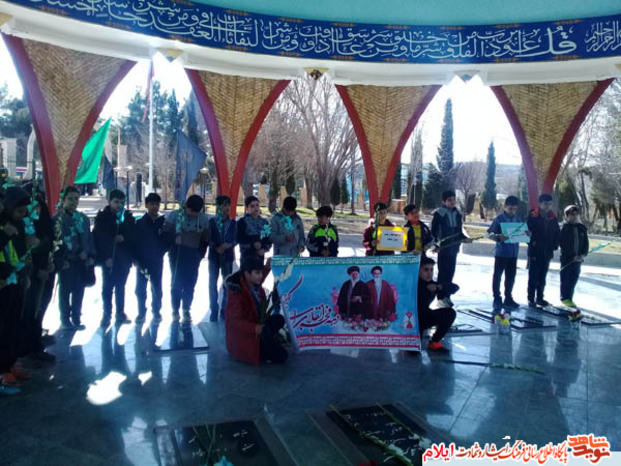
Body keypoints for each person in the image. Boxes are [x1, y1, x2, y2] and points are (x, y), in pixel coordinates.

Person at [224, 256, 288, 365]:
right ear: (247, 273)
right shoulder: (236, 293)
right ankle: (262, 348)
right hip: (245, 338)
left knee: (279, 319)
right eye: (257, 273)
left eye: (261, 272)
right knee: (282, 356)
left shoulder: (250, 283)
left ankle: (267, 343)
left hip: (258, 327)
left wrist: (267, 267)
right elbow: (233, 322)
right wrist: (254, 328)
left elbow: (259, 279)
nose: (261, 276)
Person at [0, 187, 32, 394]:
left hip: (14, 281)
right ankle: (2, 371)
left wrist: (24, 272)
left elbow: (20, 252)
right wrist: (4, 235)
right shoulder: (4, 226)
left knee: (13, 324)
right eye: (18, 211)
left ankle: (10, 363)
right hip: (2, 282)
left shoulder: (17, 224)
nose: (22, 215)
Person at [20, 182, 56, 363]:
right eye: (32, 204)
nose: (36, 208)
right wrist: (35, 271)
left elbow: (53, 244)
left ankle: (36, 342)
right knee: (28, 312)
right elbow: (21, 255)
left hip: (46, 273)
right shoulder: (22, 226)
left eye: (39, 203)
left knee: (40, 309)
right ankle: (26, 349)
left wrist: (52, 264)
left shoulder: (45, 223)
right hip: (29, 277)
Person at [53, 186, 95, 330]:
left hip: (82, 262)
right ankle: (65, 318)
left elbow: (89, 239)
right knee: (65, 291)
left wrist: (90, 255)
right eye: (70, 199)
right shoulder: (57, 220)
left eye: (76, 199)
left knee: (79, 290)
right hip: (67, 261)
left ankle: (76, 317)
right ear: (63, 200)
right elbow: (56, 242)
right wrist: (63, 259)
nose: (73, 202)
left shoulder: (83, 219)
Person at [163, 194, 210, 323]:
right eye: (191, 211)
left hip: (193, 255)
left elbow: (205, 240)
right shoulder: (175, 216)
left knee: (190, 283)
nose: (193, 214)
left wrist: (199, 255)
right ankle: (175, 310)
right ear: (186, 207)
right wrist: (174, 239)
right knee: (176, 283)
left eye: (197, 212)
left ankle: (186, 309)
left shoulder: (203, 220)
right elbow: (165, 234)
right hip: (177, 255)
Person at [93, 189, 136, 327]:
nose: (119, 205)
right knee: (107, 287)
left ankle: (120, 312)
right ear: (109, 201)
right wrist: (106, 256)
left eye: (121, 202)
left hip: (123, 258)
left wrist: (125, 238)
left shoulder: (127, 216)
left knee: (120, 286)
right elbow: (99, 238)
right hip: (109, 258)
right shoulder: (102, 217)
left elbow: (133, 235)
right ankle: (107, 314)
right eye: (116, 202)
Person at [431, 190, 471, 307]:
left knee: (450, 272)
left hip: (454, 248)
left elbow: (459, 231)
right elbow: (434, 231)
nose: (452, 202)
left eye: (454, 199)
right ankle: (440, 297)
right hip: (443, 248)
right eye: (449, 200)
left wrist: (465, 238)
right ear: (444, 202)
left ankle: (447, 296)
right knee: (443, 273)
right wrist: (436, 245)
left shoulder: (458, 213)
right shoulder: (439, 214)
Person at [134, 193, 167, 324]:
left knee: (157, 288)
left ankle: (156, 311)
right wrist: (136, 259)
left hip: (157, 261)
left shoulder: (163, 223)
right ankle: (141, 312)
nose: (154, 207)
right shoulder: (140, 223)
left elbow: (166, 241)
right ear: (146, 205)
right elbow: (135, 243)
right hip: (141, 262)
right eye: (152, 204)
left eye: (157, 204)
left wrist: (161, 252)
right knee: (140, 289)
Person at [487, 195, 522, 312]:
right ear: (505, 207)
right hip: (501, 253)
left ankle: (508, 297)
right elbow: (489, 233)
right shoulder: (499, 219)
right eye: (510, 208)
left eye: (514, 209)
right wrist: (498, 237)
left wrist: (526, 234)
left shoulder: (517, 220)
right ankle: (497, 297)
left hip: (513, 254)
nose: (512, 211)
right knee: (498, 276)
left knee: (510, 276)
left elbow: (521, 234)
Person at [417, 256, 458, 353]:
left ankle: (434, 342)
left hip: (424, 317)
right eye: (426, 270)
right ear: (418, 271)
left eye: (431, 270)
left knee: (450, 313)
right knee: (413, 352)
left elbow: (455, 287)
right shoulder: (412, 282)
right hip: (410, 319)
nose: (429, 273)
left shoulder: (433, 284)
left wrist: (439, 287)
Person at [526, 193, 560, 307]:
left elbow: (557, 233)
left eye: (550, 204)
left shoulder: (553, 217)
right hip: (535, 251)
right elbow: (526, 232)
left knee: (542, 276)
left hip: (547, 251)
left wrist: (555, 245)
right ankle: (531, 298)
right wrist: (531, 243)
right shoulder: (533, 216)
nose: (547, 206)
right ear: (540, 204)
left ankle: (540, 297)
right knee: (533, 276)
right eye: (545, 204)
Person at [208, 195, 237, 322]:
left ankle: (224, 309)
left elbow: (236, 239)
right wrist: (216, 247)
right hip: (214, 257)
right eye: (224, 205)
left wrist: (229, 245)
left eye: (228, 205)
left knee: (227, 283)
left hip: (227, 257)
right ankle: (213, 309)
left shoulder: (233, 223)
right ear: (218, 206)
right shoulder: (211, 222)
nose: (227, 208)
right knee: (212, 284)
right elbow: (207, 238)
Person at [560, 205, 589, 313]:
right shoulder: (564, 228)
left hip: (578, 260)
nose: (575, 216)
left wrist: (583, 254)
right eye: (572, 214)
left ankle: (569, 298)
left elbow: (585, 243)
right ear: (567, 216)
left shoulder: (581, 228)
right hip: (567, 260)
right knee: (566, 279)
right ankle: (564, 298)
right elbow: (563, 244)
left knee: (573, 279)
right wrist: (572, 256)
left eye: (576, 214)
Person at [237, 195, 272, 262]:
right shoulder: (242, 222)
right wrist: (253, 244)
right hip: (246, 256)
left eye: (257, 205)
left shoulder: (265, 222)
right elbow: (240, 238)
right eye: (252, 206)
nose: (256, 208)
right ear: (247, 208)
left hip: (260, 257)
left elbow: (269, 239)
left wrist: (264, 249)